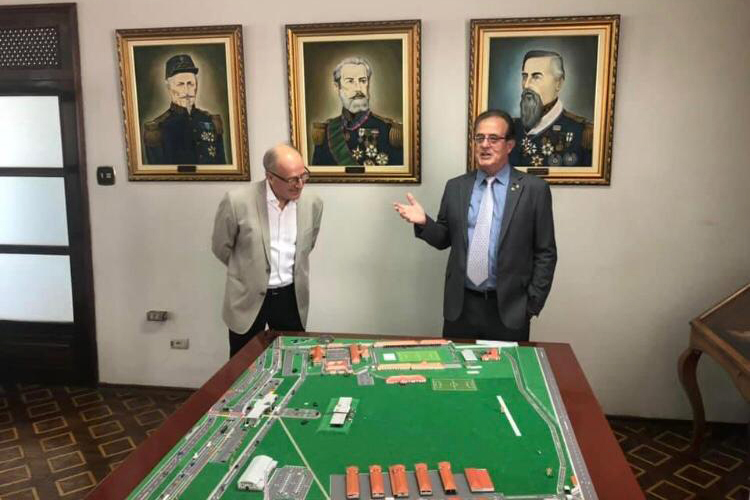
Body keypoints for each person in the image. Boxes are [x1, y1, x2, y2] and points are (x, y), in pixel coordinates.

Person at [394, 109, 556, 341]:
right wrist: (424, 222)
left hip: (509, 309)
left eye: (494, 138)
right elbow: (444, 239)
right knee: (457, 364)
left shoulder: (534, 190)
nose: (485, 145)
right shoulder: (456, 187)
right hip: (461, 307)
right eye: (479, 138)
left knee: (505, 366)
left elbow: (546, 253)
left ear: (509, 145)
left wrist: (531, 304)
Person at [212, 144, 323, 356]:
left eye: (303, 176)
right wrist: (248, 269)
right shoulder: (237, 201)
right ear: (270, 177)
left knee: (292, 359)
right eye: (292, 179)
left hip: (290, 297)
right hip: (248, 296)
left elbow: (307, 245)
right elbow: (221, 246)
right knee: (243, 362)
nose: (300, 185)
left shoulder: (313, 203)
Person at [311, 56, 403, 166]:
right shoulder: (326, 131)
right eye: (350, 81)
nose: (358, 88)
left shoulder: (388, 131)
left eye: (363, 81)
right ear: (337, 87)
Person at [510, 50, 593, 167]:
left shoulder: (582, 132)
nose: (526, 85)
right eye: (524, 76)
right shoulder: (510, 128)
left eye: (536, 77)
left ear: (558, 83)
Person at [143, 54, 226, 165]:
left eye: (190, 83)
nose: (186, 90)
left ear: (196, 85)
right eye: (180, 84)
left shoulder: (211, 121)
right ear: (169, 87)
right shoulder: (157, 129)